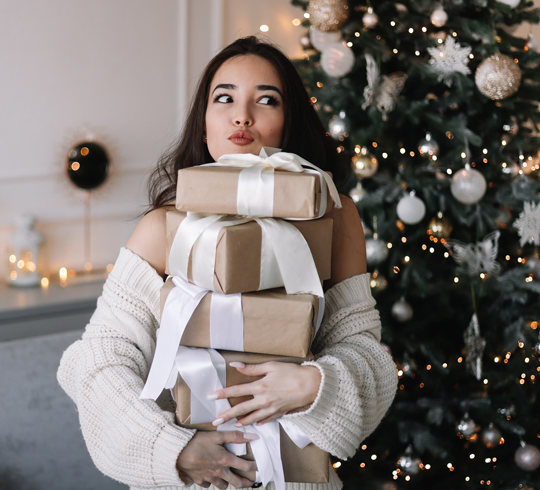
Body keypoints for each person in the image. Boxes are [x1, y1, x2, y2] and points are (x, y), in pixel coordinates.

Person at [58, 36, 397, 490]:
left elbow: (366, 354)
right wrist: (173, 451)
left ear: (287, 123)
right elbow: (95, 360)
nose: (243, 115)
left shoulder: (335, 218)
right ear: (203, 125)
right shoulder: (165, 227)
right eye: (225, 98)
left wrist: (314, 386)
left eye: (266, 100)